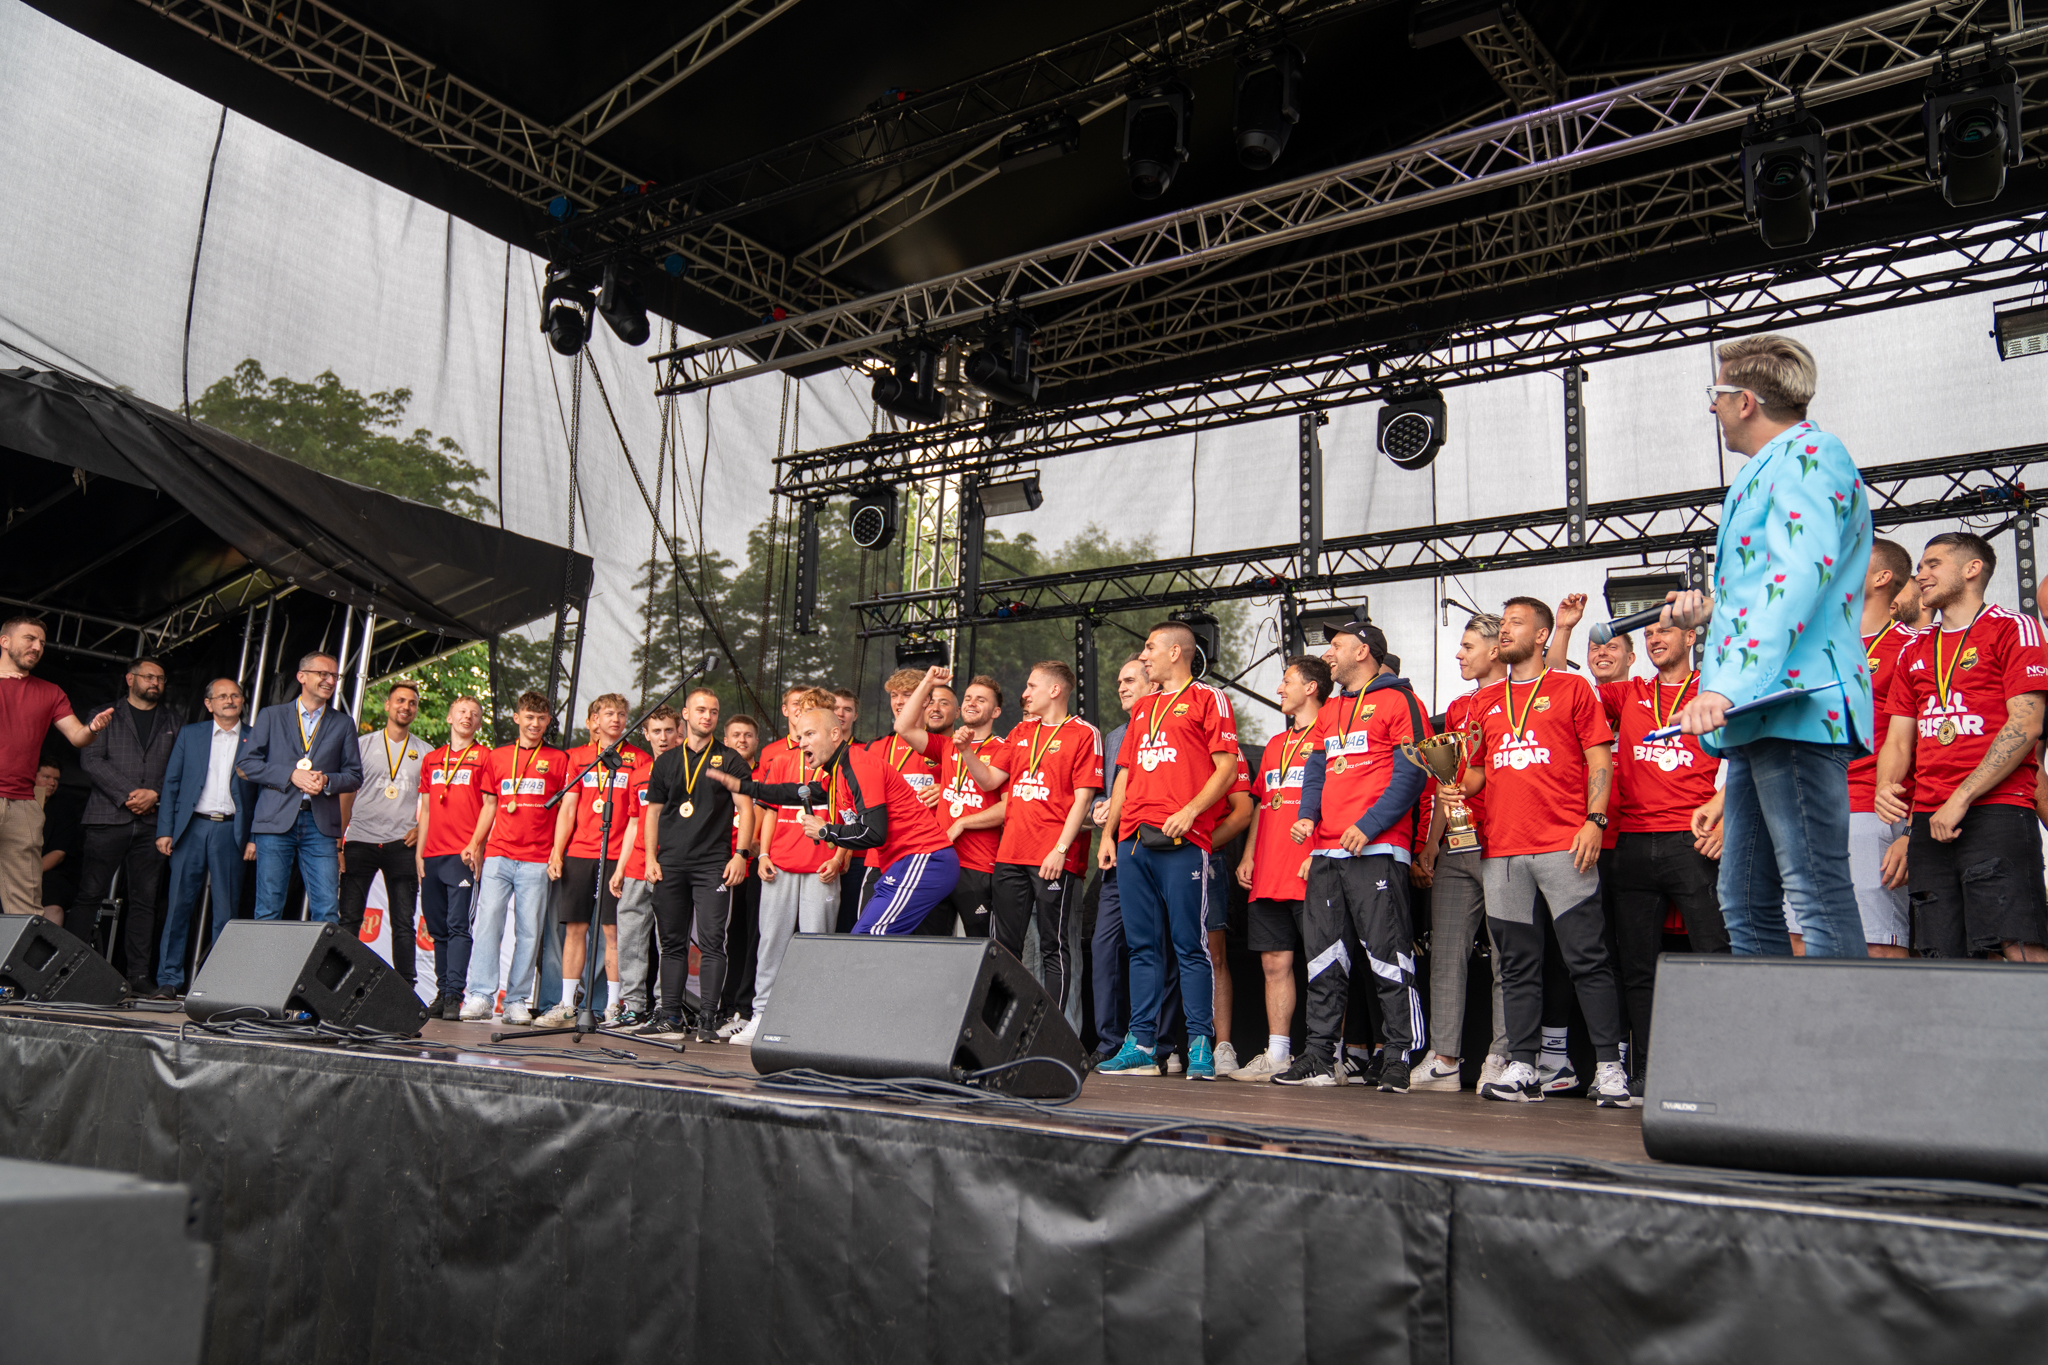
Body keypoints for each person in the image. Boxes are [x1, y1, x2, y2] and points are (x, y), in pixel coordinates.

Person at [1669, 334, 1874, 957]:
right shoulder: (1770, 466)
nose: (1711, 406)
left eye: (1716, 393)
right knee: (1742, 899)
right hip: (1764, 712)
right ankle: (1775, 1021)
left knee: (1814, 891)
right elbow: (1777, 583)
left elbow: (1801, 575)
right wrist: (1714, 611)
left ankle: (1845, 1024)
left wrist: (1726, 686)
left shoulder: (1812, 453)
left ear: (1746, 401)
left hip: (1796, 705)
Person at [1458, 597, 1631, 1106]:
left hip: (1563, 844)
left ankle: (1609, 1068)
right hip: (1503, 851)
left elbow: (1600, 758)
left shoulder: (1571, 688)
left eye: (1516, 622)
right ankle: (1523, 1066)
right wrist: (1452, 785)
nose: (1504, 630)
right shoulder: (1485, 702)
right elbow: (1476, 773)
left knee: (1587, 959)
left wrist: (1595, 821)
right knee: (1516, 964)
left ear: (1541, 636)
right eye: (1503, 622)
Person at [1875, 533, 2048, 961]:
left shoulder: (2013, 627)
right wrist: (1885, 786)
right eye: (1920, 566)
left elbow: (2026, 724)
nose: (1921, 574)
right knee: (1940, 957)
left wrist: (1961, 798)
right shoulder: (1915, 647)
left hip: (1996, 810)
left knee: (2017, 946)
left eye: (1933, 564)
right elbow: (1898, 737)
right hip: (1929, 818)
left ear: (1972, 569)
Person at [1273, 620, 1430, 1091]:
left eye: (1336, 645)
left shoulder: (1400, 700)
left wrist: (1369, 825)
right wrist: (1307, 815)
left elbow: (1413, 772)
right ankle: (1320, 1055)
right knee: (1324, 957)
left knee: (1388, 955)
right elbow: (1317, 768)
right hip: (1327, 851)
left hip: (1376, 847)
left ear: (1363, 651)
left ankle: (1399, 1055)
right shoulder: (1332, 708)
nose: (1328, 654)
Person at [1096, 622, 1240, 1082]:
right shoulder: (1144, 708)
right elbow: (1124, 774)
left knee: (1190, 945)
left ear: (1176, 652)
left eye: (1150, 647)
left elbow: (1227, 768)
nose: (1144, 656)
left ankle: (1199, 1044)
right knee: (1141, 947)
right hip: (1134, 840)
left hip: (1183, 840)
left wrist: (1191, 810)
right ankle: (1140, 1044)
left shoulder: (1208, 698)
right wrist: (1109, 835)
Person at [1591, 613, 1727, 1091]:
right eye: (1648, 634)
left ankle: (1721, 1067)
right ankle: (1650, 1070)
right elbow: (1560, 681)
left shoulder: (1714, 690)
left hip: (1692, 839)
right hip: (1632, 842)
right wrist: (1563, 629)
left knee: (1715, 955)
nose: (1654, 639)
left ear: (1690, 636)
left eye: (1663, 631)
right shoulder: (1629, 692)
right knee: (1638, 969)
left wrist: (1725, 814)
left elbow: (1748, 753)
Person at [711, 699, 958, 943]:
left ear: (835, 734)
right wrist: (744, 787)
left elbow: (873, 833)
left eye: (810, 734)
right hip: (904, 862)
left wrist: (825, 831)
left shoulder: (859, 765)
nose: (801, 743)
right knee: (869, 938)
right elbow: (793, 792)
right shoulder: (838, 772)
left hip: (925, 858)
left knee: (869, 938)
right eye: (799, 737)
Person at [956, 662, 1103, 1007]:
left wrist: (1060, 849)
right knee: (1005, 948)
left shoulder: (1084, 733)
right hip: (1009, 855)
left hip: (1052, 857)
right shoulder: (1021, 731)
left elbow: (1083, 800)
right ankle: (1002, 1026)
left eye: (1032, 686)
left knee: (1054, 947)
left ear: (1055, 690)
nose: (1024, 694)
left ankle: (1051, 1032)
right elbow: (990, 781)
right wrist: (966, 752)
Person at [1410, 614, 1512, 1093]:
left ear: (1496, 649)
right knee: (1446, 954)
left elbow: (1487, 772)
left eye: (1468, 646)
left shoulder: (1517, 697)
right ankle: (1445, 1058)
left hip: (1504, 842)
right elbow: (1445, 781)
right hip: (1457, 841)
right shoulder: (1456, 708)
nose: (1458, 654)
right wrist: (1432, 842)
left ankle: (1502, 1056)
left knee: (1507, 957)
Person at [1230, 655, 1330, 1082]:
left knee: (1325, 964)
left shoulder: (1333, 735)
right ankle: (1278, 1053)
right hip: (1269, 871)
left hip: (1312, 868)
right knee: (1274, 962)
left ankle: (1330, 1055)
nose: (1279, 689)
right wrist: (1249, 854)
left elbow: (1340, 801)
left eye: (1287, 681)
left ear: (1311, 687)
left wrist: (1320, 852)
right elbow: (1261, 805)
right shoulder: (1275, 744)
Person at [718, 689, 835, 1044]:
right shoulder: (782, 760)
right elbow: (768, 811)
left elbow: (848, 816)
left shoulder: (838, 764)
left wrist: (838, 857)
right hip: (780, 864)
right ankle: (760, 1016)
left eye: (814, 712)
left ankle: (812, 1022)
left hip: (819, 866)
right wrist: (764, 854)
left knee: (816, 944)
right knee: (770, 942)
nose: (804, 717)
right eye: (801, 710)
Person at [640, 689, 756, 1043]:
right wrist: (650, 857)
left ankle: (708, 1017)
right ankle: (671, 1017)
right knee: (671, 943)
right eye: (701, 710)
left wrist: (741, 854)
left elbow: (746, 809)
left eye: (714, 711)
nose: (708, 716)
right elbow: (653, 813)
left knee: (712, 942)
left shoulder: (729, 759)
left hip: (712, 865)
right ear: (686, 715)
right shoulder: (666, 762)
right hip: (671, 863)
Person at [534, 694, 649, 1027]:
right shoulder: (578, 757)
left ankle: (613, 1006)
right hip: (581, 853)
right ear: (594, 720)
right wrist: (558, 851)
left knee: (614, 931)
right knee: (575, 929)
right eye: (609, 713)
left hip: (617, 855)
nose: (616, 719)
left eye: (622, 714)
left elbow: (637, 817)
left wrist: (627, 862)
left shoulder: (638, 759)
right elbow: (568, 809)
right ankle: (567, 1004)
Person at [459, 692, 568, 1025]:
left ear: (548, 721)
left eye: (541, 718)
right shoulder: (498, 756)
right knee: (487, 924)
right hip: (499, 854)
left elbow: (565, 811)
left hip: (537, 858)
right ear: (517, 718)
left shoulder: (559, 759)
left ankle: (516, 1000)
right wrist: (475, 843)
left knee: (529, 932)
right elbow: (490, 805)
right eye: (529, 717)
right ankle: (480, 995)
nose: (535, 724)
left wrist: (556, 852)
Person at [72, 656, 178, 986]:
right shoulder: (104, 714)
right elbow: (92, 760)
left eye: (160, 678)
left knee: (145, 902)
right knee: (89, 894)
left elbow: (180, 768)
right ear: (130, 679)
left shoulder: (174, 720)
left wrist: (154, 794)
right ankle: (70, 972)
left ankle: (138, 976)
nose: (155, 683)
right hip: (107, 816)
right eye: (149, 676)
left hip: (152, 823)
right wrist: (131, 794)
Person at [239, 651, 364, 924]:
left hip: (320, 825)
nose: (330, 680)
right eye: (323, 674)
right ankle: (268, 956)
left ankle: (323, 956)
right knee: (268, 908)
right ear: (301, 677)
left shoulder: (343, 723)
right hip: (275, 821)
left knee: (327, 909)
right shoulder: (271, 715)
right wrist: (290, 774)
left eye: (334, 676)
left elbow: (355, 776)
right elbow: (246, 765)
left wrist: (327, 780)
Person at [0, 614, 112, 918]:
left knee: (25, 902)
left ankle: (21, 951)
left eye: (42, 642)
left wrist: (93, 728)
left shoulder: (50, 692)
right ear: (5, 641)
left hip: (23, 803)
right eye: (29, 639)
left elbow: (77, 736)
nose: (37, 647)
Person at [151, 678, 256, 997]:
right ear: (209, 703)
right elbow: (171, 783)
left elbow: (264, 794)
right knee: (178, 907)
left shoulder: (255, 738)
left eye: (235, 695)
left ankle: (217, 983)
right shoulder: (191, 734)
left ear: (242, 701)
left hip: (231, 830)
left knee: (226, 911)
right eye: (222, 696)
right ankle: (169, 980)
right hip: (191, 829)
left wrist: (254, 837)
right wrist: (165, 830)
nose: (230, 700)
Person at [895, 668, 1008, 939]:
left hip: (978, 865)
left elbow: (1008, 808)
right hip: (941, 861)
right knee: (930, 945)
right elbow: (903, 727)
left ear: (995, 712)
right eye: (968, 698)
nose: (971, 703)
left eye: (981, 699)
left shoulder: (1005, 748)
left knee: (982, 946)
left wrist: (963, 823)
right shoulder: (947, 745)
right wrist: (927, 682)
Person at [1849, 539, 1919, 959]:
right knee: (1801, 945)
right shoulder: (1820, 644)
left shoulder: (1913, 645)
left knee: (1877, 946)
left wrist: (1911, 830)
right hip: (1811, 809)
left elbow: (1924, 746)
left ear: (1881, 577)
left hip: (1870, 810)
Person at [336, 681, 426, 991]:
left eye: (412, 703)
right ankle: (338, 984)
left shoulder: (425, 752)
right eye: (400, 700)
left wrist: (421, 829)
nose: (406, 707)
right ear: (387, 705)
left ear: (416, 710)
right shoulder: (362, 745)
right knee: (349, 919)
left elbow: (432, 802)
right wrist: (339, 842)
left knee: (403, 923)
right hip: (360, 840)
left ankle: (406, 991)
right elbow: (346, 796)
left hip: (401, 844)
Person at [1087, 656, 1153, 1060]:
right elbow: (1106, 792)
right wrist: (1100, 809)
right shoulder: (1114, 737)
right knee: (1104, 945)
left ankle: (1159, 1043)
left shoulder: (1173, 726)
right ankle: (1109, 1042)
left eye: (1129, 680)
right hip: (1117, 852)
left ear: (1151, 682)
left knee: (1155, 946)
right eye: (1118, 683)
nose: (1122, 688)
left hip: (1157, 850)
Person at [608, 704, 681, 1028]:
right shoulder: (637, 774)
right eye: (656, 731)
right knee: (630, 938)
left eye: (668, 731)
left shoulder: (688, 771)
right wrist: (620, 867)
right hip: (637, 866)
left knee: (669, 941)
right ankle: (633, 1005)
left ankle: (666, 1007)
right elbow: (633, 823)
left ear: (679, 733)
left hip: (671, 866)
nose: (663, 737)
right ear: (646, 734)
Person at [416, 695, 489, 1019]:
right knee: (437, 928)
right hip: (432, 854)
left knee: (458, 925)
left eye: (474, 713)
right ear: (449, 717)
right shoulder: (432, 759)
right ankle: (442, 990)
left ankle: (454, 996)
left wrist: (477, 846)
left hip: (463, 855)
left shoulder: (485, 757)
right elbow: (426, 810)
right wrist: (419, 852)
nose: (467, 717)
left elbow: (490, 806)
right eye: (461, 711)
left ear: (479, 723)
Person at [717, 714, 764, 1029]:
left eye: (748, 735)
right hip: (718, 867)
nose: (742, 740)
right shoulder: (715, 773)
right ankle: (721, 1006)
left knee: (747, 940)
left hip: (752, 869)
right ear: (726, 740)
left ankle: (742, 1008)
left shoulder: (764, 775)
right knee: (720, 940)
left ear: (756, 741)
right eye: (736, 735)